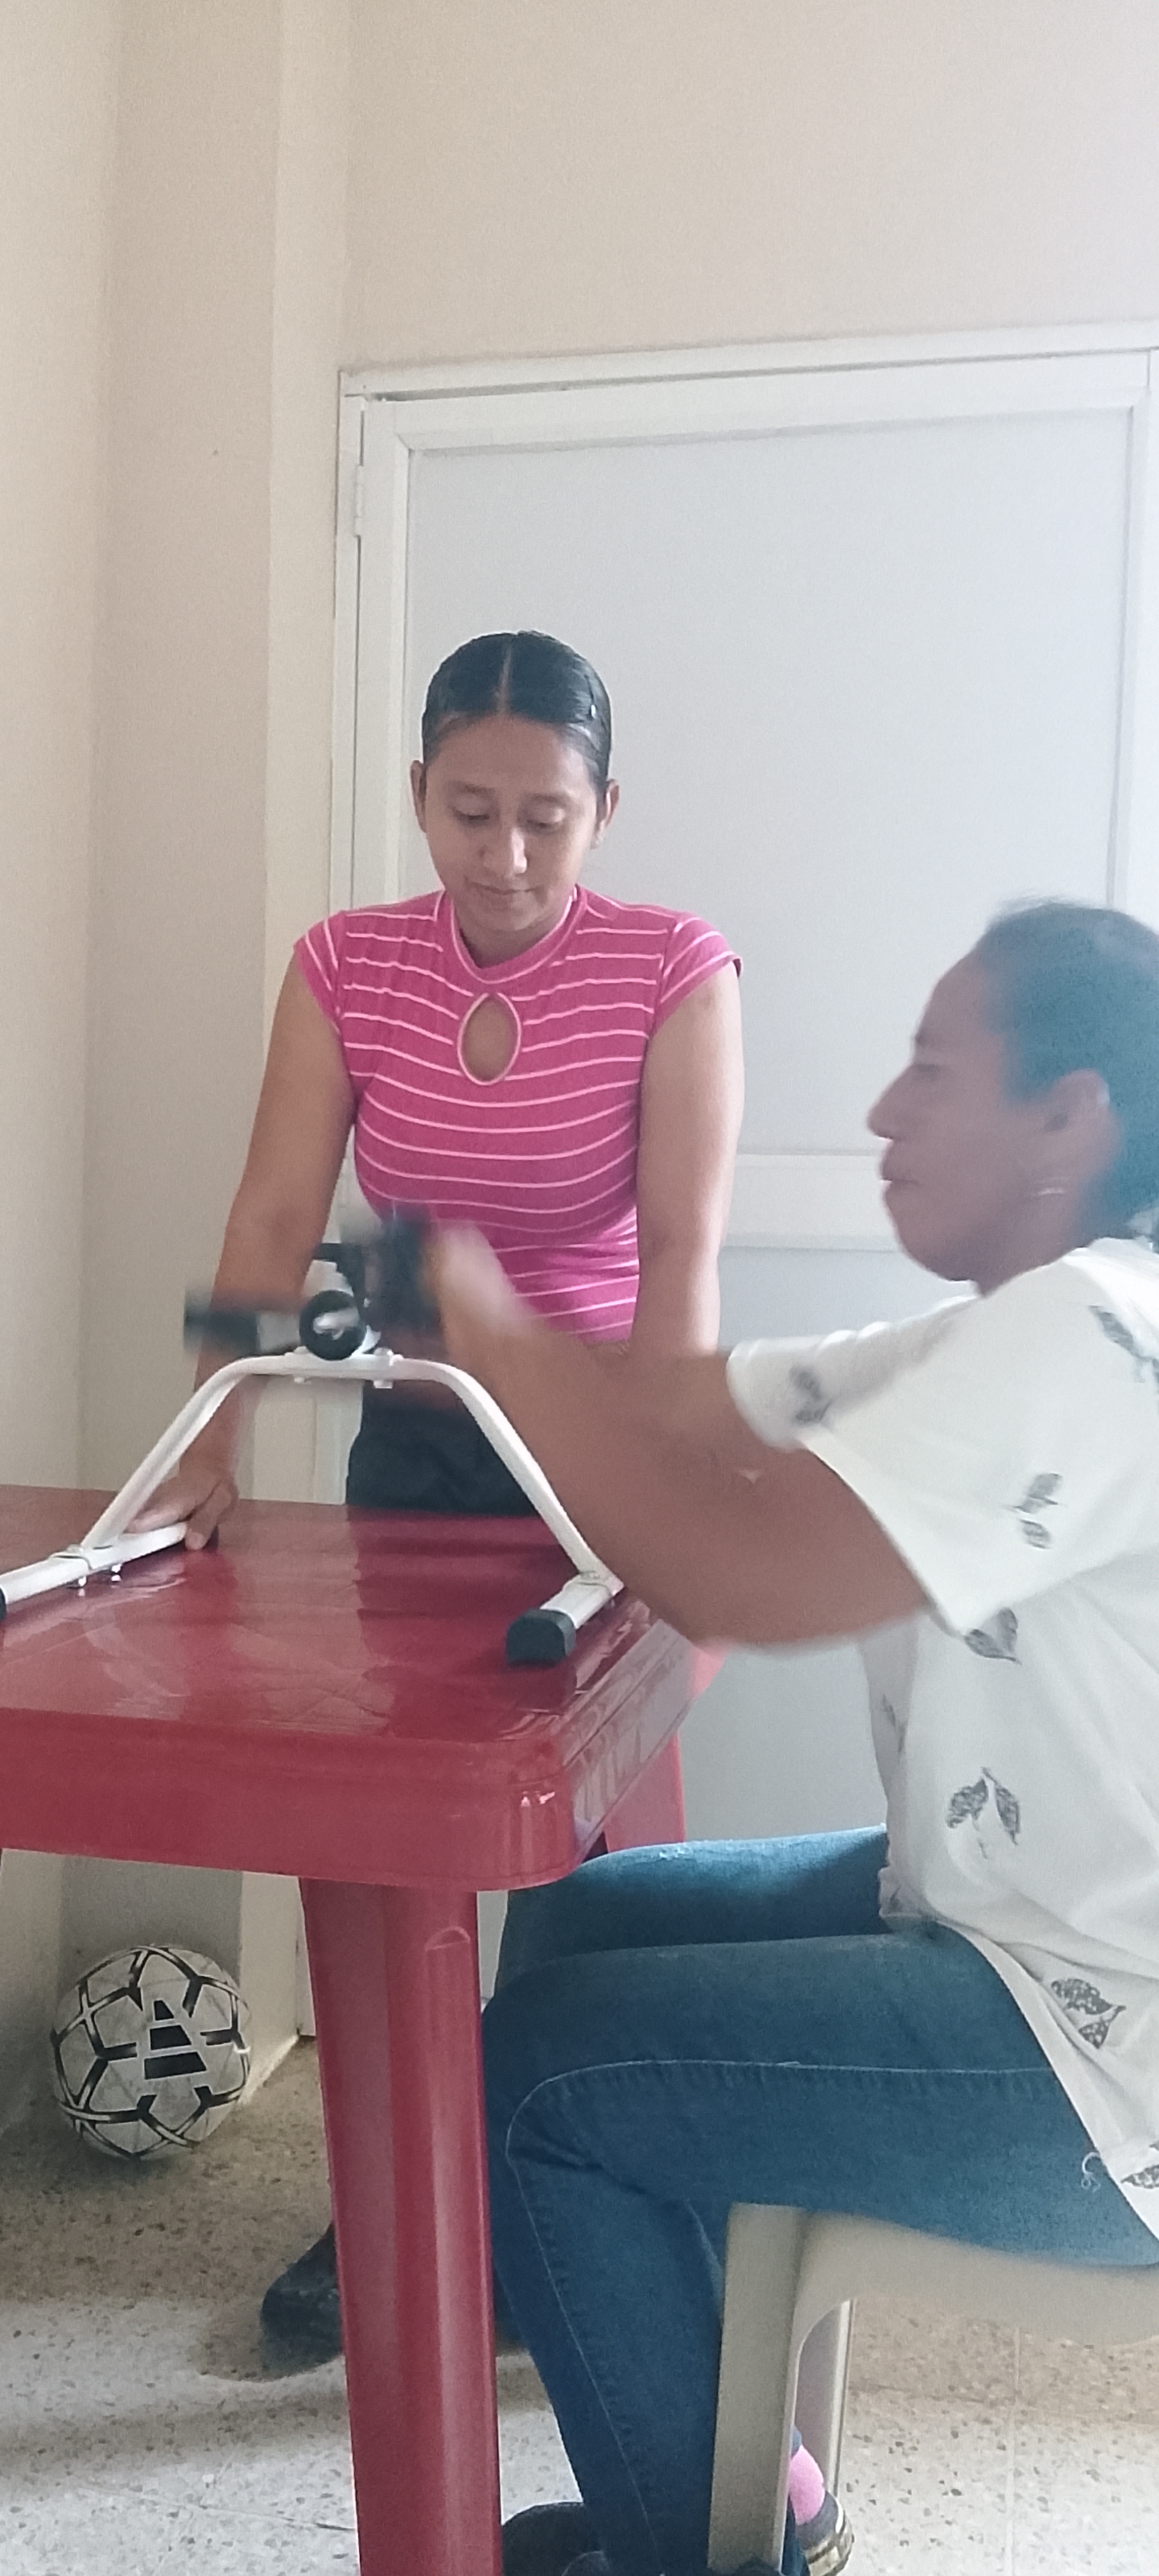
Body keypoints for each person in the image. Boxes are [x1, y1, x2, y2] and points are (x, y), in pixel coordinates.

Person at [427, 901, 1159, 2576]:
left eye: (934, 1070)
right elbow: (695, 1409)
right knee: (582, 1923)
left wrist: (481, 1317)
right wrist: (458, 1337)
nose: (885, 1112)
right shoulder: (1012, 1325)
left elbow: (740, 1567)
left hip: (1104, 2059)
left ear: (1071, 1116)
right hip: (1015, 1927)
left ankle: (709, 2552)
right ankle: (743, 2477)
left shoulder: (1092, 1329)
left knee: (545, 2079)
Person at [144, 628, 744, 2358]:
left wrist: (658, 1498)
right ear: (417, 794)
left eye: (547, 816)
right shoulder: (348, 966)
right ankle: (399, 2199)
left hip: (604, 1448)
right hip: (416, 1446)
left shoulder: (673, 967)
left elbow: (681, 1263)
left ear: (605, 809)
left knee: (583, 1857)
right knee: (395, 1833)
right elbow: (273, 1220)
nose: (507, 853)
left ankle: (565, 2210)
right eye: (471, 811)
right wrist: (204, 1445)